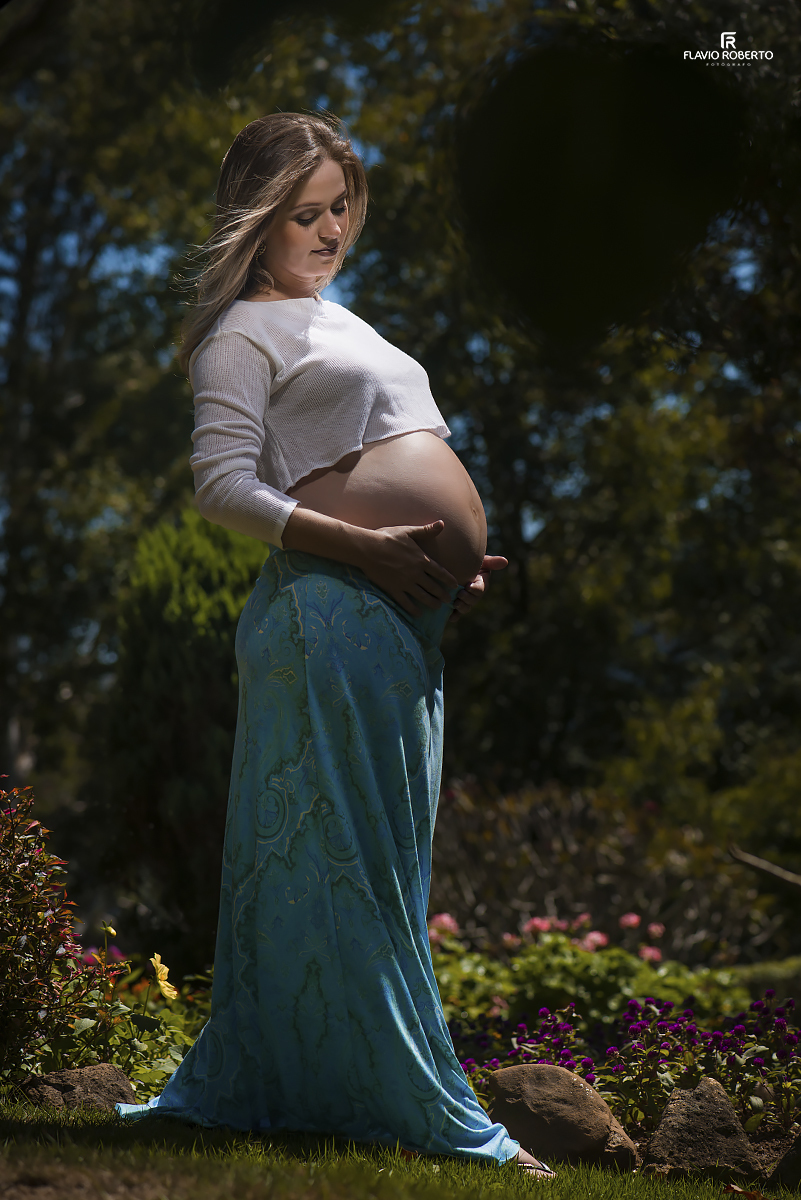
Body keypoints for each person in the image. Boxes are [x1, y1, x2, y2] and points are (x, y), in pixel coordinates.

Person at [117, 111, 553, 1178]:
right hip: (323, 608)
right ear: (257, 222)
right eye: (302, 213)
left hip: (399, 618)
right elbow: (222, 488)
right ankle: (412, 1103)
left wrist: (451, 566)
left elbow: (387, 462)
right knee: (342, 860)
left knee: (380, 862)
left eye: (339, 208)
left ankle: (322, 1084)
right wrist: (366, 545)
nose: (326, 230)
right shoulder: (241, 332)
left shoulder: (346, 323)